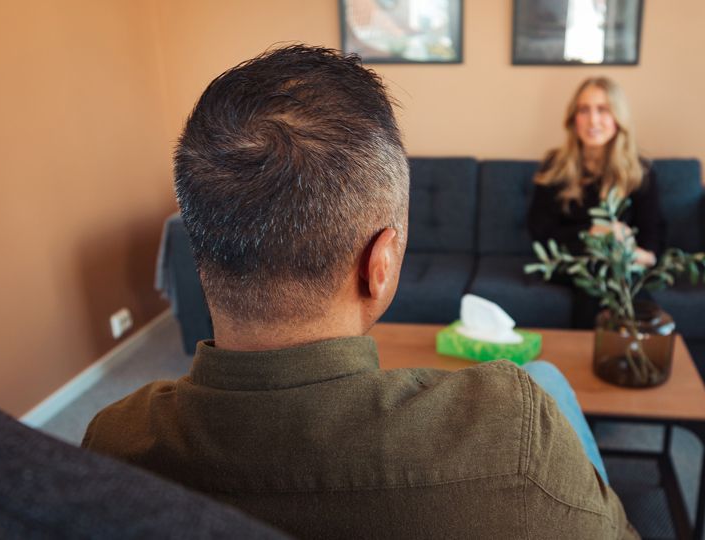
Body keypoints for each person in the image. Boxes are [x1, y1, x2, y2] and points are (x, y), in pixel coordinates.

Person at [81, 45, 637, 539]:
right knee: (549, 379)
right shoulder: (514, 432)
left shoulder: (111, 444)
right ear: (381, 263)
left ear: (200, 255)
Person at [528, 77, 663, 328]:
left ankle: (625, 353)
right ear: (573, 118)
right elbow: (540, 233)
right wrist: (590, 234)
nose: (593, 120)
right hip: (570, 262)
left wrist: (631, 252)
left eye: (603, 110)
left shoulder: (640, 171)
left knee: (616, 273)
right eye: (584, 110)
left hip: (622, 264)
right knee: (597, 272)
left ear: (618, 118)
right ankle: (626, 352)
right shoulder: (554, 166)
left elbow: (652, 242)